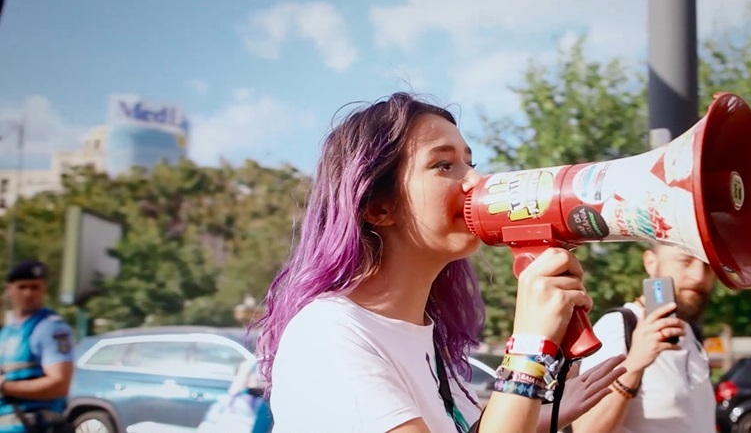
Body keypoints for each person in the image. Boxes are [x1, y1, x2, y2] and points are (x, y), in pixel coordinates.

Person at [252, 92, 626, 433]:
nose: (476, 180)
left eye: (471, 163)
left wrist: (542, 412)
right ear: (378, 207)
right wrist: (528, 351)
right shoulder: (329, 334)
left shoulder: (425, 337)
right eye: (444, 165)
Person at [572, 244, 717, 433]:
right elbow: (585, 430)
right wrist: (633, 365)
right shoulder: (618, 326)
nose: (699, 276)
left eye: (708, 266)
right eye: (686, 261)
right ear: (651, 262)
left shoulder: (691, 333)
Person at [0, 260, 75, 433]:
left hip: (34, 427)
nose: (28, 293)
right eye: (22, 287)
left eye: (35, 287)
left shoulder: (51, 329)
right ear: (9, 289)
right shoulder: (8, 331)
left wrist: (5, 387)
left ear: (44, 289)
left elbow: (60, 384)